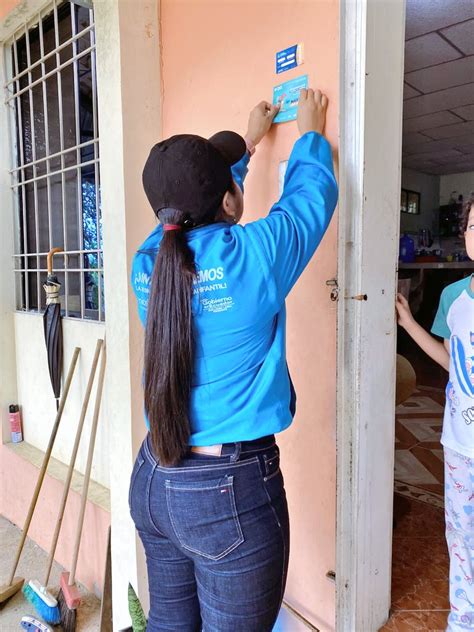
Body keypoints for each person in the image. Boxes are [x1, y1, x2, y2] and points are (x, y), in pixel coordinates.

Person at [129, 88, 338, 631]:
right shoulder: (253, 258)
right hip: (227, 493)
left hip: (154, 477)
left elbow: (187, 217)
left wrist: (241, 147)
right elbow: (309, 198)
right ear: (228, 200)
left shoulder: (147, 265)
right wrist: (309, 135)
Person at [396, 198, 474, 632]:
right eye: (473, 225)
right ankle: (463, 619)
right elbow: (449, 358)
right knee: (462, 537)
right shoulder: (453, 296)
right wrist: (409, 325)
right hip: (461, 445)